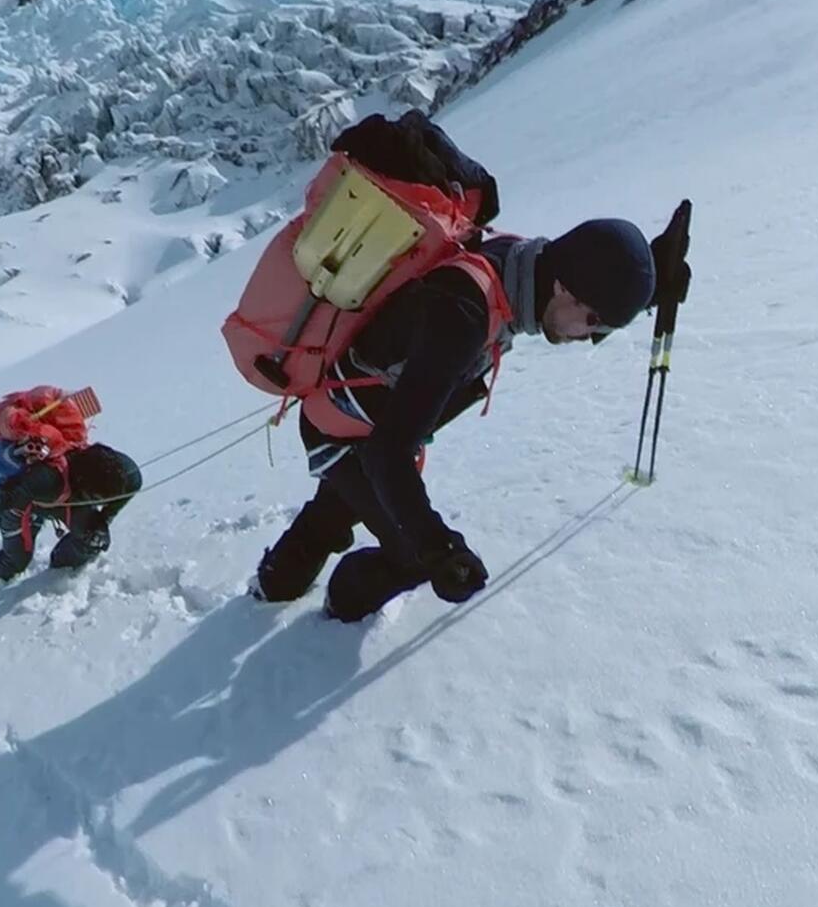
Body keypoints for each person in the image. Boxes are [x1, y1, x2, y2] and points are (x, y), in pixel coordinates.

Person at [250, 112, 692, 621]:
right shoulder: (462, 316)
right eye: (594, 321)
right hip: (349, 432)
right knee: (406, 549)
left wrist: (647, 282)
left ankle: (274, 583)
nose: (589, 336)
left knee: (344, 501)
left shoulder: (524, 263)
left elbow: (592, 272)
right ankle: (331, 621)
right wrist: (437, 549)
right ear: (567, 289)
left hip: (368, 417)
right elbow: (386, 457)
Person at [0, 386, 143, 582]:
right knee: (17, 560)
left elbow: (128, 489)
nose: (99, 503)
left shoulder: (125, 474)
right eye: (98, 499)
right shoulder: (49, 478)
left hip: (64, 501)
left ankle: (59, 570)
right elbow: (5, 494)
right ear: (84, 486)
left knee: (93, 539)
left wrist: (104, 519)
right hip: (22, 508)